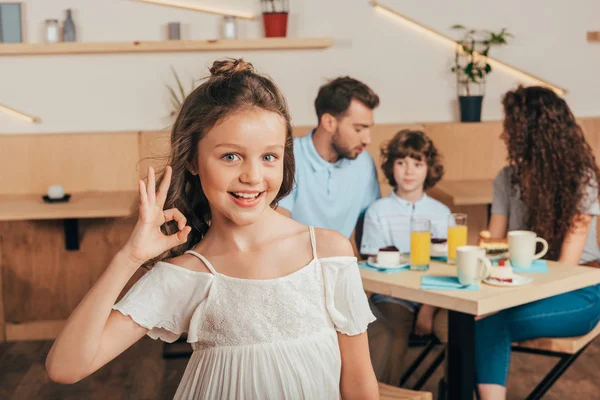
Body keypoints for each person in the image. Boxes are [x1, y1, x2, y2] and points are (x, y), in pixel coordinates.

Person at [45, 59, 379, 400]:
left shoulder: (328, 253)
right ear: (192, 160)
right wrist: (128, 258)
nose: (252, 176)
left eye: (268, 157)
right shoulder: (186, 274)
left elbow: (358, 380)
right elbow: (66, 368)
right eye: (231, 157)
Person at [477, 86, 600, 400]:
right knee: (470, 319)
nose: (504, 135)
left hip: (580, 292)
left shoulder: (583, 180)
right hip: (521, 287)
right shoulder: (507, 178)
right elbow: (494, 244)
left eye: (510, 126)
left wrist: (505, 298)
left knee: (488, 324)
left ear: (529, 131)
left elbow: (566, 270)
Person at [360, 129, 450, 385]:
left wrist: (428, 310)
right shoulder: (378, 212)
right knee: (393, 338)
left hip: (437, 296)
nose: (409, 172)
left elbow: (446, 266)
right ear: (391, 167)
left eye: (417, 164)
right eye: (401, 163)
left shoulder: (441, 213)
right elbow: (374, 265)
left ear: (429, 168)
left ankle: (455, 390)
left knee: (461, 333)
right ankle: (386, 392)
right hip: (393, 296)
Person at [277, 76, 381, 239]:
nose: (367, 139)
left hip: (341, 261)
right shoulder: (288, 156)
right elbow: (278, 227)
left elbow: (369, 226)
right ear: (329, 122)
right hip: (295, 261)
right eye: (359, 129)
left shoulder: (364, 162)